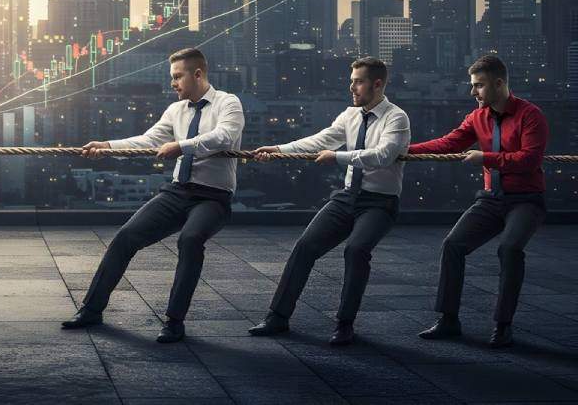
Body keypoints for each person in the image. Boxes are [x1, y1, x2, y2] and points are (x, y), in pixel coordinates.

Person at [62, 48, 244, 343]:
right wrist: (108, 145)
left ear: (197, 74)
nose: (172, 83)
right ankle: (91, 310)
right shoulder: (176, 110)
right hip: (177, 191)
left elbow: (224, 136)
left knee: (190, 240)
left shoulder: (228, 103)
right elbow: (148, 140)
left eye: (177, 76)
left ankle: (174, 322)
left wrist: (182, 146)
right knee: (125, 237)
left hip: (213, 197)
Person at [248, 57, 410, 345]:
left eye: (358, 81)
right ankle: (277, 317)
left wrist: (339, 157)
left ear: (377, 84)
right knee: (305, 247)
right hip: (347, 196)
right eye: (352, 80)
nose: (352, 87)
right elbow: (320, 140)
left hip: (379, 202)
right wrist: (279, 148)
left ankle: (344, 324)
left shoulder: (396, 118)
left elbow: (382, 156)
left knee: (356, 250)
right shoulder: (350, 115)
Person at [412, 55, 548, 348]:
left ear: (499, 84)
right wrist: (403, 150)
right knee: (452, 246)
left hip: (526, 200)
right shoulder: (477, 117)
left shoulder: (530, 115)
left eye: (479, 86)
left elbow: (529, 159)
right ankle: (448, 321)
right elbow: (448, 143)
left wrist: (484, 158)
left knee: (509, 249)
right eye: (472, 85)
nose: (473, 92)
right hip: (491, 199)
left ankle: (503, 325)